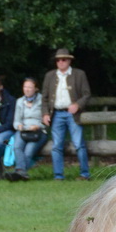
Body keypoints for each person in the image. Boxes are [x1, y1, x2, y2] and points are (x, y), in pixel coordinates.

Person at [41, 47, 92, 180]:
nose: (61, 62)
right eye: (58, 60)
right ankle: (58, 176)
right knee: (56, 146)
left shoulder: (79, 74)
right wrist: (45, 113)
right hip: (56, 114)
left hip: (73, 115)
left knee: (79, 145)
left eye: (64, 59)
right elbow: (44, 97)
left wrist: (77, 105)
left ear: (69, 61)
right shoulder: (50, 76)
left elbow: (87, 94)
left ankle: (84, 174)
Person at [8, 77, 48, 179]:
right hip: (24, 130)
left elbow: (47, 120)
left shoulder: (42, 100)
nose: (27, 89)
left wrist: (38, 126)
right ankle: (22, 173)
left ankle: (19, 172)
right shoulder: (20, 101)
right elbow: (16, 120)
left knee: (29, 151)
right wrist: (19, 126)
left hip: (38, 131)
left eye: (30, 87)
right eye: (25, 87)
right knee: (17, 147)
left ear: (36, 89)